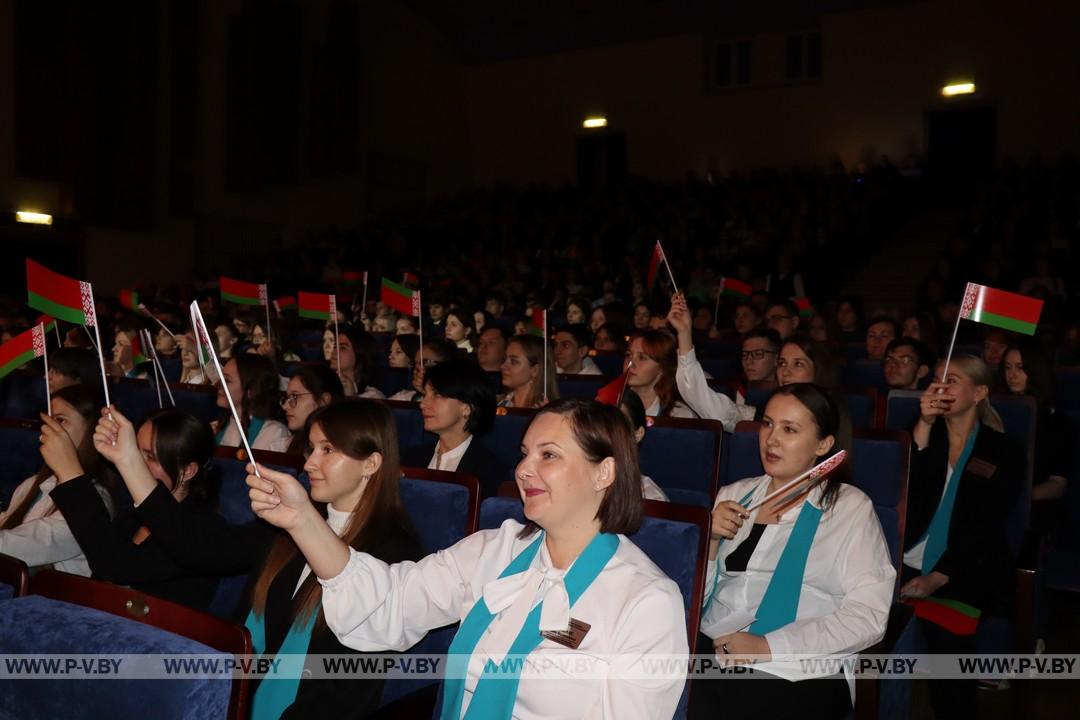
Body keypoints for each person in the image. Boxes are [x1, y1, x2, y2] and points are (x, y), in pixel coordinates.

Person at [246, 399, 689, 719]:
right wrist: (303, 519)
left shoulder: (646, 600)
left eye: (548, 455)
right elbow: (392, 601)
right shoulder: (494, 551)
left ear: (604, 472)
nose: (523, 469)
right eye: (524, 454)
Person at [91, 399, 424, 716]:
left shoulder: (394, 553)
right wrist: (129, 462)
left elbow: (348, 686)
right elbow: (196, 548)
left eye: (328, 450)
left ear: (371, 463)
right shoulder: (288, 523)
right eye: (311, 448)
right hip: (234, 698)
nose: (308, 463)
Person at [692, 383, 893, 719]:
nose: (771, 439)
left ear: (824, 444)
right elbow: (695, 600)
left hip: (797, 666)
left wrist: (768, 646)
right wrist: (709, 544)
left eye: (790, 429)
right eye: (768, 423)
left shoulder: (849, 509)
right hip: (713, 644)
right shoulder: (735, 494)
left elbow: (868, 615)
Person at [902, 356, 1024, 718]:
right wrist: (922, 428)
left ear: (979, 392)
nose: (940, 387)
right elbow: (906, 497)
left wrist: (938, 576)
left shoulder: (1004, 450)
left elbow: (985, 525)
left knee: (948, 649)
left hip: (966, 568)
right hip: (903, 559)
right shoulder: (919, 434)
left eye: (952, 380)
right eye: (936, 379)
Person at [50, 408, 222, 610]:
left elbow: (115, 567)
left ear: (187, 471)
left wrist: (70, 472)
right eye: (134, 450)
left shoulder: (201, 528)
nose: (132, 462)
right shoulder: (134, 513)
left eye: (149, 456)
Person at [0, 385, 114, 576]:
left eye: (60, 421)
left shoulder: (95, 501)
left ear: (94, 430)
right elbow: (6, 522)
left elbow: (21, 546)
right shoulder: (34, 483)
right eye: (48, 422)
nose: (48, 431)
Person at [401, 360, 508, 499]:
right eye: (425, 395)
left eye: (437, 395)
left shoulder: (489, 469)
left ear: (467, 407)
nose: (423, 404)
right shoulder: (412, 457)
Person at [1001, 341, 1072, 527]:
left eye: (1020, 368)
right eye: (1007, 367)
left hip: (1034, 505)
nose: (1012, 375)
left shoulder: (1058, 423)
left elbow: (1057, 485)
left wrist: (1021, 496)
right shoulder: (995, 412)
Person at [668, 293, 753, 430]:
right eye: (746, 354)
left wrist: (685, 333)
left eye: (758, 354)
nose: (750, 360)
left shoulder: (763, 410)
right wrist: (684, 332)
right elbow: (698, 396)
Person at [215, 355, 292, 453]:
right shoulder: (219, 425)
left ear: (251, 391)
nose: (218, 384)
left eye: (227, 380)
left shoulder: (275, 434)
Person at [624, 329, 696, 419]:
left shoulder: (679, 416)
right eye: (628, 355)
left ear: (662, 367)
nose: (630, 363)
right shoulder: (611, 404)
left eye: (642, 358)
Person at [616, 390, 669, 501]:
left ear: (637, 434)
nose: (604, 433)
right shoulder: (579, 485)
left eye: (616, 425)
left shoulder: (650, 498)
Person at [282, 365, 345, 456]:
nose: (285, 406)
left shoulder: (343, 448)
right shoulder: (290, 443)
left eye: (295, 396)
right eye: (288, 398)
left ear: (324, 400)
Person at [498, 334, 559, 409]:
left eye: (513, 361)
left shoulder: (548, 412)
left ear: (535, 370)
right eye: (504, 359)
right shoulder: (500, 404)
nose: (502, 366)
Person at [388, 338, 457, 402]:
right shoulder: (403, 397)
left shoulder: (457, 403)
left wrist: (428, 392)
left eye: (425, 362)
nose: (417, 369)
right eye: (415, 364)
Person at [331, 325, 384, 399]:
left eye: (343, 348)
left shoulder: (373, 396)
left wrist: (351, 397)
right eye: (335, 347)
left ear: (360, 353)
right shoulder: (326, 388)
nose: (334, 351)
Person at [741, 328, 781, 394]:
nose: (748, 362)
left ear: (776, 359)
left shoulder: (787, 396)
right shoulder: (735, 391)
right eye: (744, 355)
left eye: (758, 354)